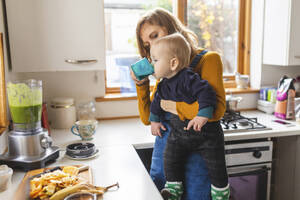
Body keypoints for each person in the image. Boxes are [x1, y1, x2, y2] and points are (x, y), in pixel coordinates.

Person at [131, 8, 226, 200]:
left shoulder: (208, 60)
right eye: (147, 44)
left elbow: (216, 111)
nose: (152, 46)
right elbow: (148, 119)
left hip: (199, 149)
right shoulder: (164, 69)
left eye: (155, 35)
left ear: (172, 29)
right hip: (168, 150)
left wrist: (174, 107)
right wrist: (141, 84)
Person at [149, 33, 229, 200]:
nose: (152, 64)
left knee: (216, 166)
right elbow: (156, 103)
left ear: (173, 63)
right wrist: (155, 121)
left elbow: (207, 94)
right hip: (179, 136)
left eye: (155, 60)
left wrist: (202, 115)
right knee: (169, 158)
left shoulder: (188, 78)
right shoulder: (163, 84)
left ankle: (221, 192)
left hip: (206, 136)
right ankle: (173, 188)